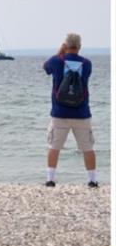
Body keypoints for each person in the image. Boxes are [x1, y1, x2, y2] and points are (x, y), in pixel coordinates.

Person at [42, 33, 96, 187]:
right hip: (82, 113)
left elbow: (45, 67)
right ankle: (92, 180)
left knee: (54, 147)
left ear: (65, 45)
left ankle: (50, 179)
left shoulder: (57, 61)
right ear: (79, 46)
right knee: (87, 148)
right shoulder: (87, 63)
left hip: (59, 113)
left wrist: (60, 52)